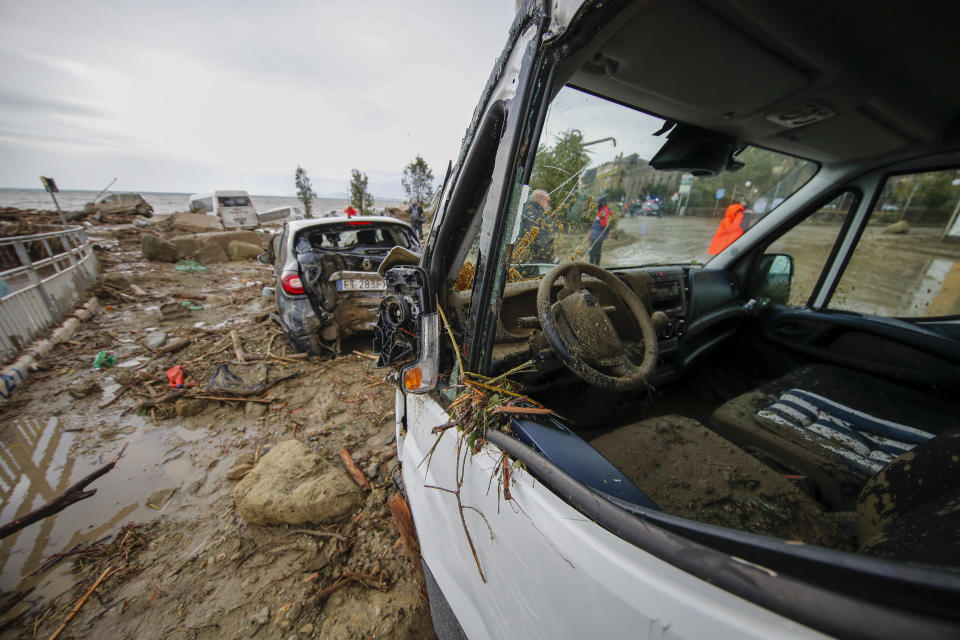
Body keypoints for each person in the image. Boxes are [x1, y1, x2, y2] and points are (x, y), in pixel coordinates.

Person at [524, 189, 557, 263]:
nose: (549, 205)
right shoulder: (539, 216)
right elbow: (543, 242)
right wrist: (551, 253)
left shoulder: (524, 211)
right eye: (548, 201)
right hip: (535, 261)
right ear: (540, 200)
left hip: (522, 258)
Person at [587, 196, 613, 265]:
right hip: (595, 234)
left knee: (594, 253)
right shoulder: (602, 210)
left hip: (597, 235)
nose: (597, 205)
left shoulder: (604, 211)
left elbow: (604, 223)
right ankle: (594, 267)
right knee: (594, 252)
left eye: (598, 204)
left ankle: (593, 269)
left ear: (602, 203)